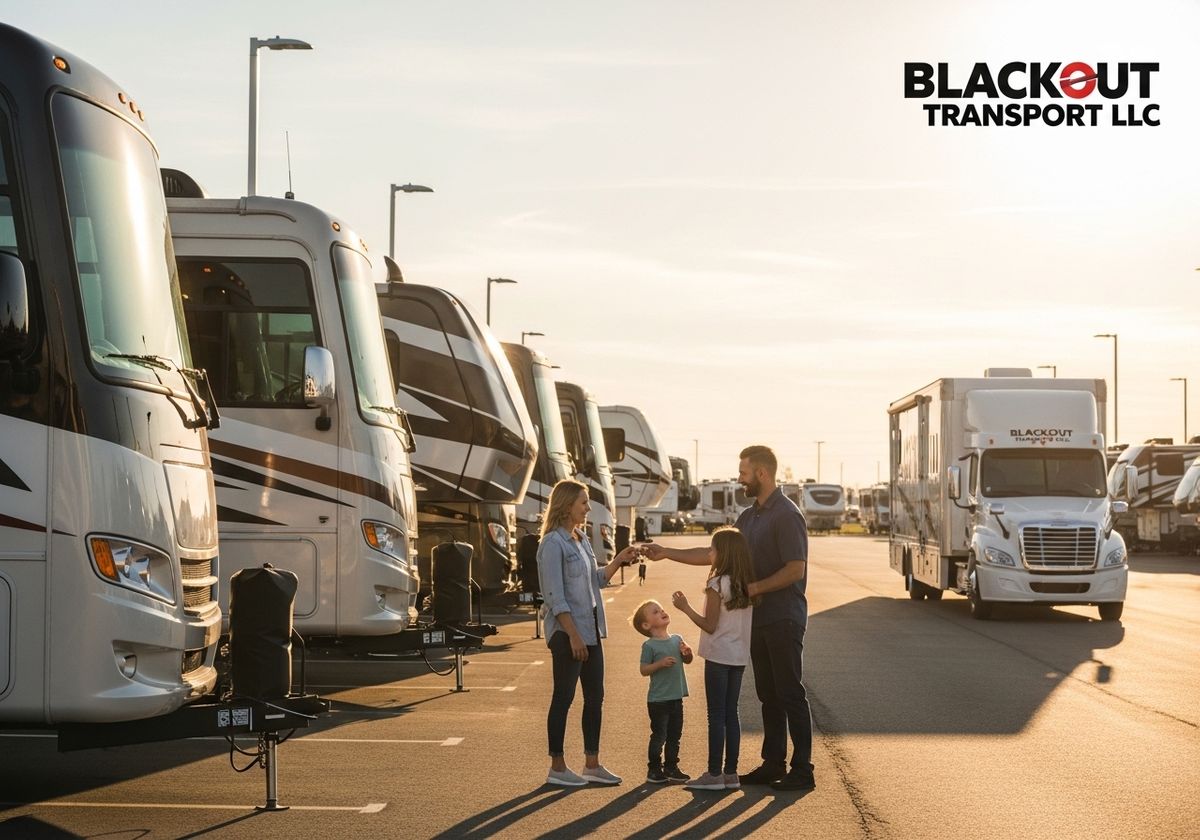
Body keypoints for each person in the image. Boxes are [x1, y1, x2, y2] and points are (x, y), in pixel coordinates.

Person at [644, 445, 815, 792]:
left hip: (784, 618)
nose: (740, 479)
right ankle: (773, 763)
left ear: (762, 473)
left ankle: (802, 769)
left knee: (789, 693)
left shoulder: (787, 514)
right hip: (758, 621)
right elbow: (714, 554)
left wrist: (753, 588)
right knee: (768, 694)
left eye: (744, 473)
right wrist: (666, 553)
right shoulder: (749, 517)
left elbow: (795, 569)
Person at [538, 478, 641, 787]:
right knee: (564, 697)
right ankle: (557, 767)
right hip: (568, 632)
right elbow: (555, 596)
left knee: (595, 697)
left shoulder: (580, 539)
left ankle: (592, 765)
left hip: (591, 629)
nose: (588, 508)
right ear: (566, 505)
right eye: (583, 502)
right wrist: (573, 635)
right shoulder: (552, 544)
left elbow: (596, 580)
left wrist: (619, 559)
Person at [670, 527, 756, 791]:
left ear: (723, 553)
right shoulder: (745, 585)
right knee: (731, 713)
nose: (709, 553)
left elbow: (709, 625)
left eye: (712, 549)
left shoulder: (716, 584)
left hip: (718, 655)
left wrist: (685, 608)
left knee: (716, 715)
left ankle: (714, 773)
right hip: (738, 656)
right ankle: (731, 773)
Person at [632, 599, 693, 784]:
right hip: (658, 700)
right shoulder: (650, 646)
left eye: (662, 609)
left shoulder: (677, 639)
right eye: (656, 612)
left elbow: (687, 660)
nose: (662, 612)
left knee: (675, 735)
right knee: (659, 735)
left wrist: (687, 653)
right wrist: (659, 664)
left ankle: (671, 767)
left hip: (676, 697)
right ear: (646, 625)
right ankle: (654, 769)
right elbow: (644, 670)